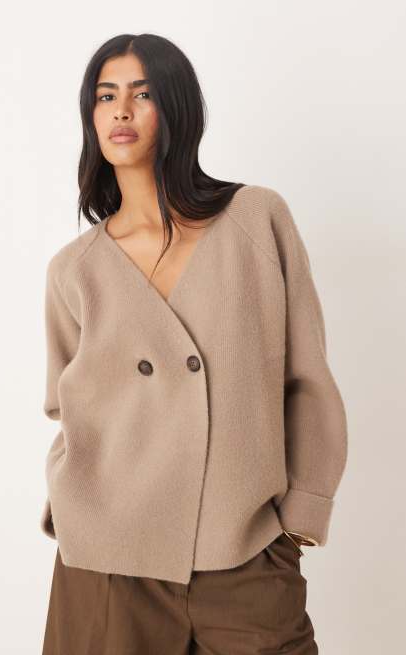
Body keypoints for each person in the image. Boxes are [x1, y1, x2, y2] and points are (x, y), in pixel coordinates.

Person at [40, 33, 348, 655]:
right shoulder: (74, 269)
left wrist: (297, 525)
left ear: (176, 107)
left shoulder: (255, 220)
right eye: (105, 96)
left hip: (243, 552)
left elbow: (307, 378)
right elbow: (65, 409)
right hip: (107, 561)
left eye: (143, 93)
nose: (122, 110)